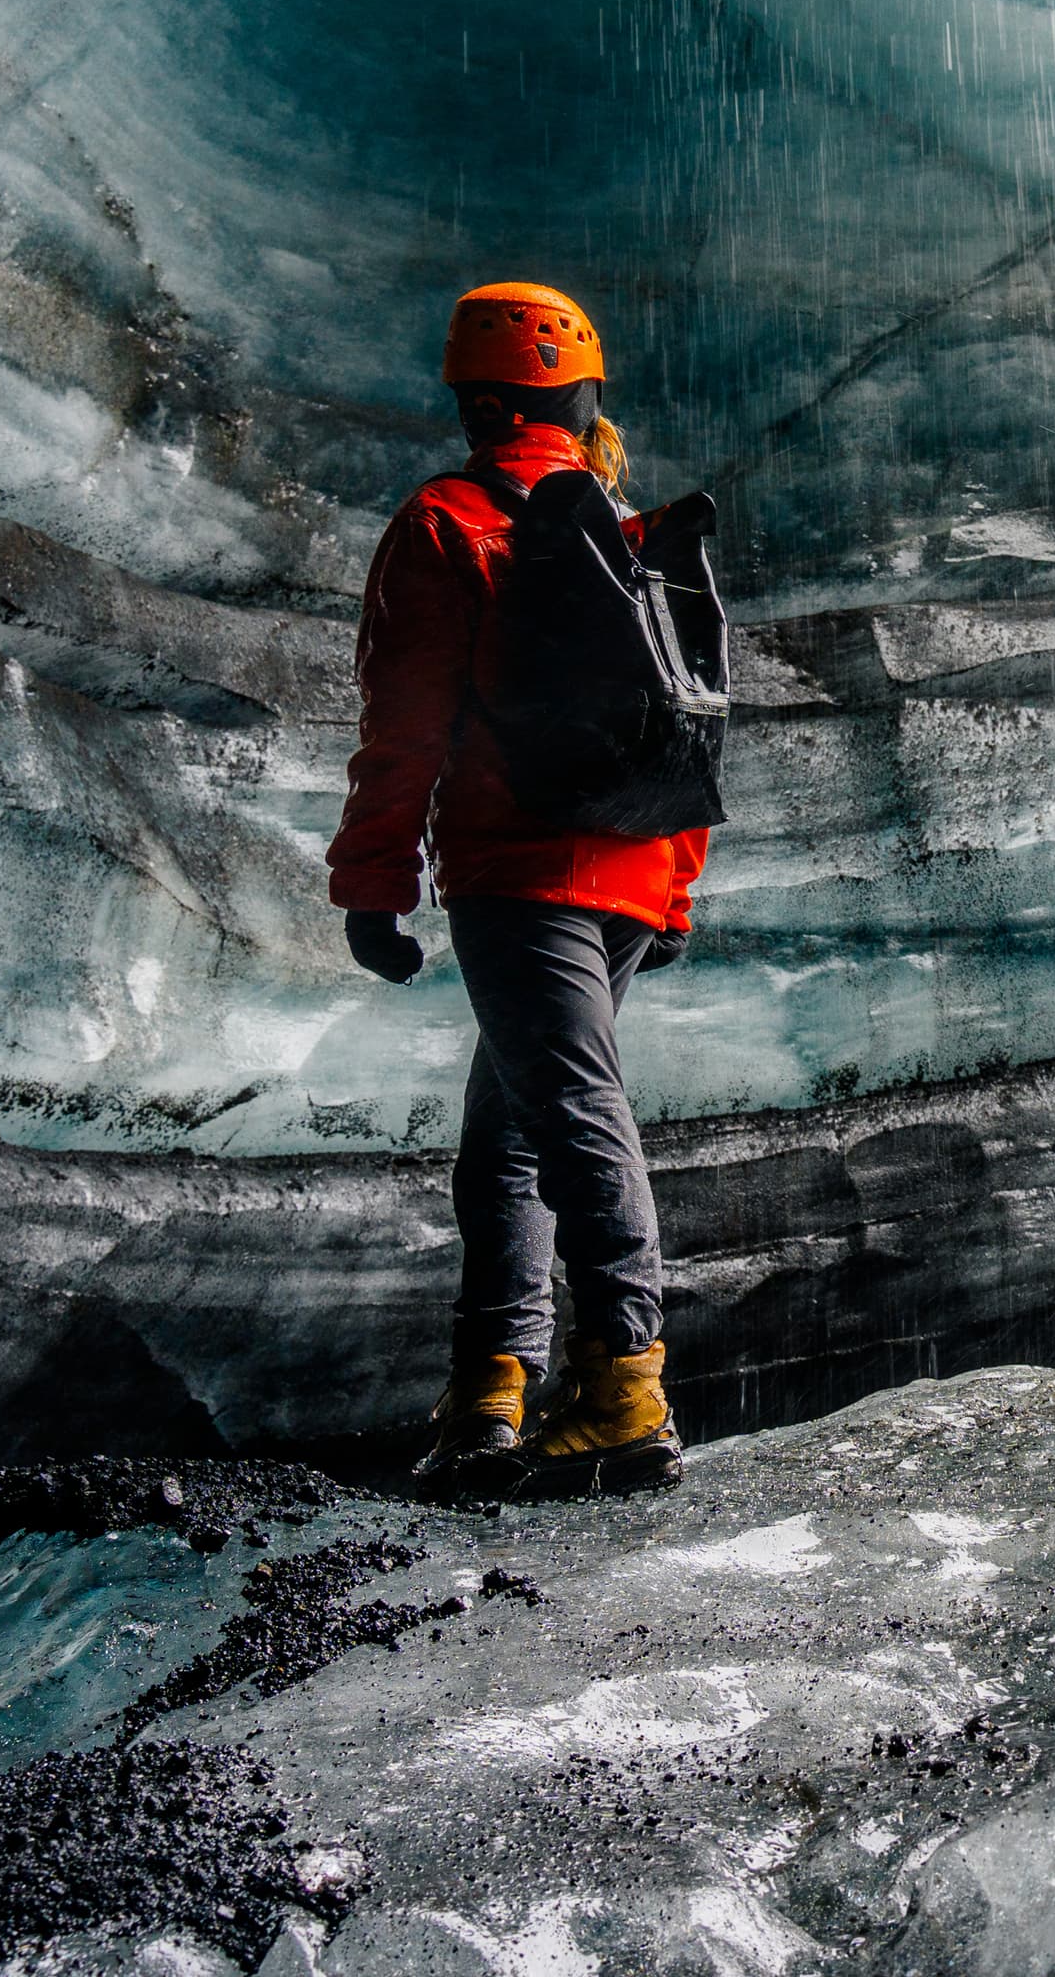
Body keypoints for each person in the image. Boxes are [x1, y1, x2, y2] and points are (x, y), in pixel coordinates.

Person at [329, 282, 708, 1500]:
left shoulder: (446, 523)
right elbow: (690, 735)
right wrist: (675, 896)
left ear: (477, 400)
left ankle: (623, 1388)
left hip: (521, 875)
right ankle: (493, 1385)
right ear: (579, 396)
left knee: (568, 1116)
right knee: (506, 1136)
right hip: (632, 873)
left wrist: (374, 884)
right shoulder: (630, 532)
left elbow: (405, 730)